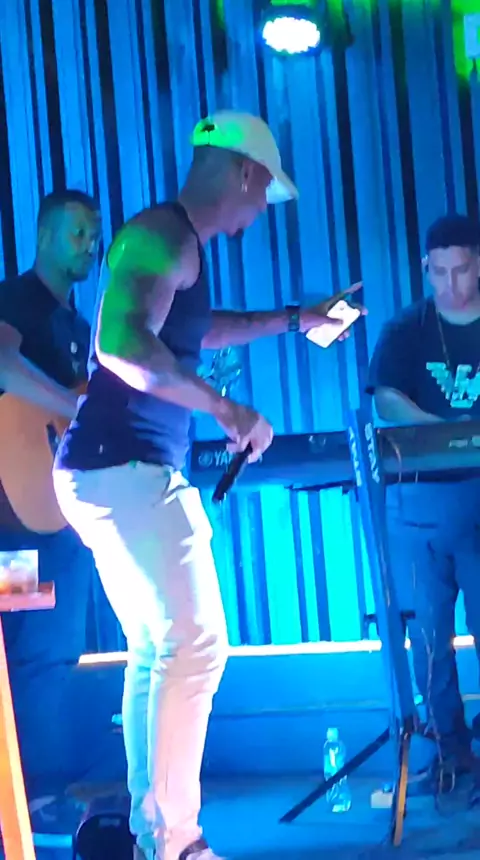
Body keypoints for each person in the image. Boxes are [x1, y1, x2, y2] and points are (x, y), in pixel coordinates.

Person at [52, 111, 363, 860]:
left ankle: (152, 834)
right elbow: (121, 344)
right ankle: (176, 841)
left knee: (158, 648)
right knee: (194, 644)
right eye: (265, 193)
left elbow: (195, 330)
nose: (261, 211)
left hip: (105, 470)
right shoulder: (162, 235)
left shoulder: (176, 242)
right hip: (123, 467)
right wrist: (227, 409)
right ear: (246, 172)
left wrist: (296, 319)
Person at [367, 213, 480, 796]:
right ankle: (449, 752)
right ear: (425, 268)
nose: (451, 284)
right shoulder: (406, 328)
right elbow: (386, 398)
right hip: (417, 500)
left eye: (461, 270)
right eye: (440, 272)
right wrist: (445, 432)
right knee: (429, 639)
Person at [0, 190, 101, 822]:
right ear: (42, 235)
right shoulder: (16, 299)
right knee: (33, 651)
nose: (90, 246)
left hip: (61, 516)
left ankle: (40, 795)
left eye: (95, 235)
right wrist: (73, 407)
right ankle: (35, 795)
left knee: (54, 651)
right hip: (16, 519)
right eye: (77, 233)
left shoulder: (80, 327)